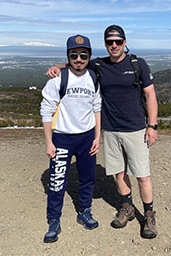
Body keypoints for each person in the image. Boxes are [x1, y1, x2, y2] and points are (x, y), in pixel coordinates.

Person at [46, 25, 159, 239]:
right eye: (109, 42)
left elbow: (150, 95)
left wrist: (152, 126)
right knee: (119, 173)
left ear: (125, 42)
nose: (114, 45)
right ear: (105, 44)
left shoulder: (138, 64)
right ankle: (127, 207)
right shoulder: (100, 64)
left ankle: (149, 215)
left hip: (135, 129)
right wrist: (57, 67)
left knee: (142, 176)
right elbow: (78, 64)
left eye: (118, 41)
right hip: (110, 129)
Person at [40, 34, 102, 243]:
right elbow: (46, 111)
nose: (78, 59)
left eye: (83, 55)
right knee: (57, 181)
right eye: (74, 55)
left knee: (87, 177)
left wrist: (97, 137)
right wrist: (49, 142)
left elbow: (97, 108)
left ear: (89, 56)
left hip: (86, 138)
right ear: (68, 56)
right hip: (62, 137)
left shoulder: (93, 78)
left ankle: (84, 210)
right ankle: (54, 219)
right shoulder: (58, 78)